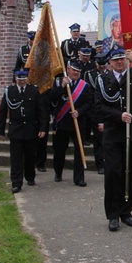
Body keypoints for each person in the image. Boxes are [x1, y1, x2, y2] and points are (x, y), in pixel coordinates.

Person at [95, 46, 132, 232]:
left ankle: (126, 211)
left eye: (122, 59)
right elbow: (99, 106)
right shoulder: (103, 80)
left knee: (130, 172)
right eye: (116, 60)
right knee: (113, 173)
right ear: (110, 63)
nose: (120, 62)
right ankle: (112, 215)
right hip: (113, 132)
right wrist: (118, 115)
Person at [0, 69, 48, 193]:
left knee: (30, 156)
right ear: (15, 79)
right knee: (16, 158)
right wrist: (1, 131)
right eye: (19, 79)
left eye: (24, 79)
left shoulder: (34, 90)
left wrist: (42, 128)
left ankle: (30, 177)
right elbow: (2, 112)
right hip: (16, 129)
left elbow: (41, 111)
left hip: (31, 129)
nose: (22, 81)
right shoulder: (9, 91)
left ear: (27, 78)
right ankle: (16, 183)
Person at [47, 59, 94, 187]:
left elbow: (89, 103)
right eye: (74, 70)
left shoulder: (85, 86)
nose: (76, 73)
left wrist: (79, 111)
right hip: (62, 122)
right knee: (59, 150)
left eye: (78, 71)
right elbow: (50, 97)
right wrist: (62, 86)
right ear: (68, 69)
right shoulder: (58, 82)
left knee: (79, 150)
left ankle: (79, 178)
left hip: (78, 122)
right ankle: (58, 172)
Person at [84, 53, 109, 175]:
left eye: (103, 64)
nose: (102, 67)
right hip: (95, 110)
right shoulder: (89, 74)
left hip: (108, 110)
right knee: (98, 139)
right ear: (96, 63)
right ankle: (100, 164)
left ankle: (108, 162)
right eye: (100, 64)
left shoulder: (109, 74)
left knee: (109, 138)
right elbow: (87, 92)